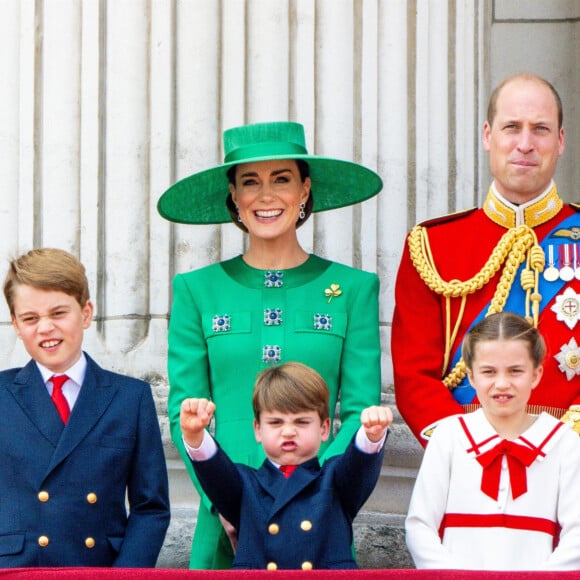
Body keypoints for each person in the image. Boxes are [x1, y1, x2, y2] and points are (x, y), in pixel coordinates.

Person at [157, 121, 384, 568]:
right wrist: (224, 499)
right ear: (234, 196)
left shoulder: (353, 288)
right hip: (225, 513)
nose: (265, 196)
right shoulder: (195, 289)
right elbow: (185, 408)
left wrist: (321, 492)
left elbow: (360, 410)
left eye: (281, 179)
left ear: (304, 189)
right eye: (250, 182)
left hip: (320, 517)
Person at [392, 73, 580, 445]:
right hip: (466, 464)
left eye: (540, 129)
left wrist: (564, 445)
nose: (525, 144)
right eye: (512, 127)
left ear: (560, 141)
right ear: (487, 135)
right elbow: (414, 376)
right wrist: (468, 449)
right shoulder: (432, 245)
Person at [0, 248, 170, 567]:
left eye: (58, 313)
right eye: (30, 318)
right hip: (16, 570)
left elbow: (151, 508)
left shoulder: (130, 398)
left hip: (97, 569)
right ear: (16, 325)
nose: (45, 328)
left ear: (86, 312)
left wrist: (123, 578)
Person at [405, 312, 580, 570]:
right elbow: (419, 526)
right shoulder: (449, 436)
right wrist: (453, 578)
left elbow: (576, 534)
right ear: (472, 376)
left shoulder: (564, 443)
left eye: (515, 371)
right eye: (489, 371)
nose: (502, 384)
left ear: (536, 374)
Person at [180, 361, 392, 570]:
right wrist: (195, 435)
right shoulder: (245, 484)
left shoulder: (335, 479)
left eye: (301, 422)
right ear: (257, 429)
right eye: (275, 422)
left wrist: (371, 435)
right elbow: (215, 471)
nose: (288, 431)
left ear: (324, 428)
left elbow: (359, 465)